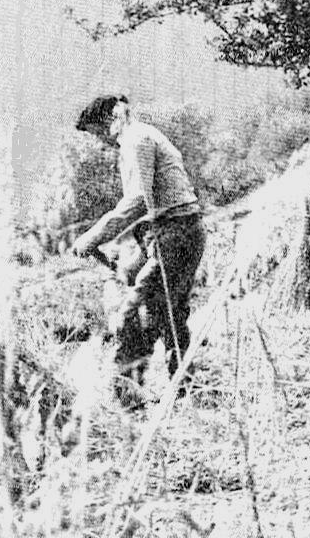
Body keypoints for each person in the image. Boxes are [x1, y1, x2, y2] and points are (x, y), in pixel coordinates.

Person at [70, 95, 206, 405]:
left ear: (110, 119)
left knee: (133, 313)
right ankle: (180, 389)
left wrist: (92, 238)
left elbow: (137, 201)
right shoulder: (142, 138)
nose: (101, 142)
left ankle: (130, 398)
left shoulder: (135, 140)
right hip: (170, 235)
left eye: (97, 132)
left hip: (175, 235)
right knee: (162, 309)